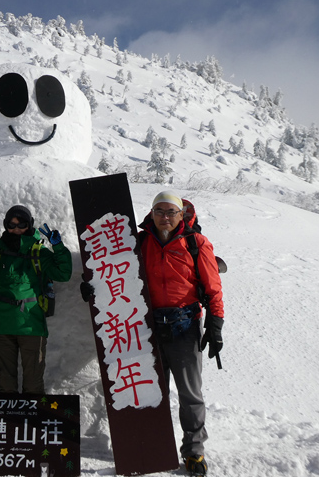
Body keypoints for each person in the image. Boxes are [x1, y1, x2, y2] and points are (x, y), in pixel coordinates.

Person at [81, 190, 224, 476]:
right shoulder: (139, 240)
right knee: (147, 391)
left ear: (181, 214)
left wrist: (215, 325)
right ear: (152, 213)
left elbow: (213, 286)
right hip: (146, 327)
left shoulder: (196, 243)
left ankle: (194, 451)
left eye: (171, 211)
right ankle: (146, 449)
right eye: (159, 210)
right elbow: (116, 272)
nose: (165, 217)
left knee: (189, 394)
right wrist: (93, 286)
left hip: (185, 326)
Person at [0, 205, 72, 394]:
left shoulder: (39, 254)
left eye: (22, 224)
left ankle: (32, 423)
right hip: (2, 325)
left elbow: (63, 273)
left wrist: (58, 247)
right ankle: (9, 423)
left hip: (31, 326)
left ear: (30, 225)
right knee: (6, 383)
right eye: (11, 224)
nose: (16, 228)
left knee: (33, 384)